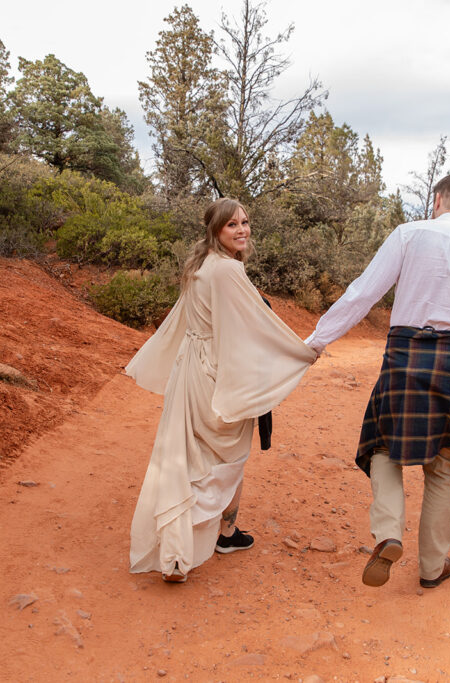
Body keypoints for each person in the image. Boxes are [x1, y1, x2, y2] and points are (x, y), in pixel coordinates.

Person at [305, 173, 450, 589]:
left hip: (403, 355)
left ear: (436, 200)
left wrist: (317, 340)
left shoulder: (408, 234)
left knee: (383, 446)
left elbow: (362, 293)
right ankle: (433, 568)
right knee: (442, 465)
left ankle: (388, 532)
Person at [126, 198, 316, 583]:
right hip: (213, 369)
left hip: (189, 368)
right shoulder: (228, 270)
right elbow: (257, 326)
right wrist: (301, 351)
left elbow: (188, 320)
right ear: (215, 231)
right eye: (232, 225)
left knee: (188, 456)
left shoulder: (199, 265)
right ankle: (222, 534)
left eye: (245, 222)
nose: (242, 230)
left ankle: (185, 542)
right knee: (227, 456)